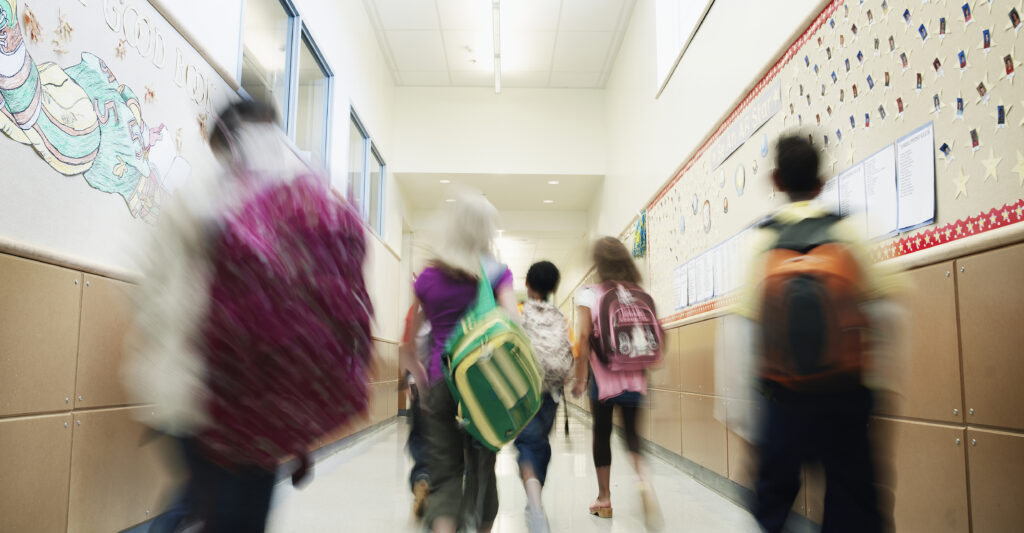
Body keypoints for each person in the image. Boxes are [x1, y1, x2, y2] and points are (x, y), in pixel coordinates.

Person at [126, 100, 373, 533]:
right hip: (207, 396)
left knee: (216, 509)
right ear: (239, 138)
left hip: (237, 402)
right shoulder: (214, 201)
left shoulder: (256, 206)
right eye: (266, 135)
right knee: (220, 512)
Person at [739, 135, 901, 533]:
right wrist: (880, 394)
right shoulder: (849, 233)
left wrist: (744, 421)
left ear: (775, 180)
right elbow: (887, 316)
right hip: (846, 397)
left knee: (772, 504)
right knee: (853, 503)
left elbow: (742, 335)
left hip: (781, 400)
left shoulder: (762, 241)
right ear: (822, 181)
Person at [400, 193, 518, 533]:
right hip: (482, 388)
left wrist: (423, 378)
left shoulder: (428, 277)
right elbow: (512, 324)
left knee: (444, 474)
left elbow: (406, 346)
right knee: (483, 471)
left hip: (440, 383)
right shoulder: (496, 274)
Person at [571, 237, 663, 531]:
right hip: (636, 376)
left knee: (602, 433)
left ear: (598, 263)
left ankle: (604, 498)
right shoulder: (640, 292)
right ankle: (643, 481)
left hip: (604, 378)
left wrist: (579, 377)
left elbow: (584, 337)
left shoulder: (589, 293)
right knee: (633, 435)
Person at [514, 261, 574, 533]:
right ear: (553, 288)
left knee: (526, 445)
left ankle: (535, 505)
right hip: (552, 392)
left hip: (524, 391)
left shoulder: (519, 312)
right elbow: (569, 352)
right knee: (540, 445)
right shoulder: (560, 316)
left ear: (527, 284)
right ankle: (534, 500)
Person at [402, 303, 432, 520]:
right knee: (452, 443)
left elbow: (407, 348)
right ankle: (448, 494)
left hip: (421, 385)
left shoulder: (418, 307)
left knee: (421, 439)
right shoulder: (465, 297)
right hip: (453, 384)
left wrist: (408, 379)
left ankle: (422, 479)